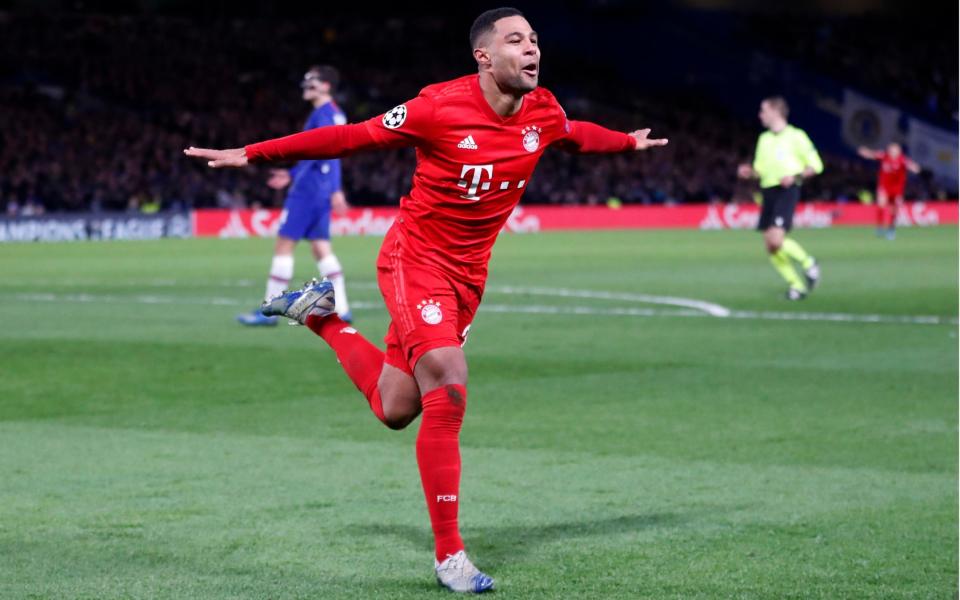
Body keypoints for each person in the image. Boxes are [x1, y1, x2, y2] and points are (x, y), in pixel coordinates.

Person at [185, 7, 667, 593]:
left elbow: (572, 136)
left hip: (467, 280)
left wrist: (624, 144)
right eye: (516, 40)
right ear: (484, 56)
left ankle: (322, 317)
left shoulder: (544, 110)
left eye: (535, 39)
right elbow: (351, 136)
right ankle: (450, 556)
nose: (532, 48)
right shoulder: (438, 106)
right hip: (415, 260)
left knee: (394, 408)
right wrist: (256, 152)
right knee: (450, 382)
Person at [236, 65, 353, 326]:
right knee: (322, 248)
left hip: (308, 191)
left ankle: (269, 312)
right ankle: (343, 308)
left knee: (284, 246)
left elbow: (327, 151)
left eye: (310, 81)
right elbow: (327, 153)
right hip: (319, 189)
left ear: (325, 86)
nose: (305, 85)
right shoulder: (335, 114)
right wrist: (323, 184)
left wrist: (332, 188)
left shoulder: (323, 114)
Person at [737, 96, 823, 301]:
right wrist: (750, 172)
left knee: (776, 238)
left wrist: (795, 176)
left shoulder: (796, 136)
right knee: (771, 245)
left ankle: (809, 263)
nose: (760, 115)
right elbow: (760, 169)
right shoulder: (764, 139)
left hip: (787, 190)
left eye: (763, 110)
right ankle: (797, 286)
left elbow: (816, 165)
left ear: (776, 112)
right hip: (768, 191)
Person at [857, 142, 921, 240]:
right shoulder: (884, 156)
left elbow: (912, 166)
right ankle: (880, 227)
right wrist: (866, 152)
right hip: (884, 187)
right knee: (881, 205)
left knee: (894, 210)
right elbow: (873, 155)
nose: (893, 151)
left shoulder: (902, 160)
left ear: (899, 151)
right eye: (891, 149)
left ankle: (891, 229)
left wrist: (915, 168)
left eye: (895, 149)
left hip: (897, 189)